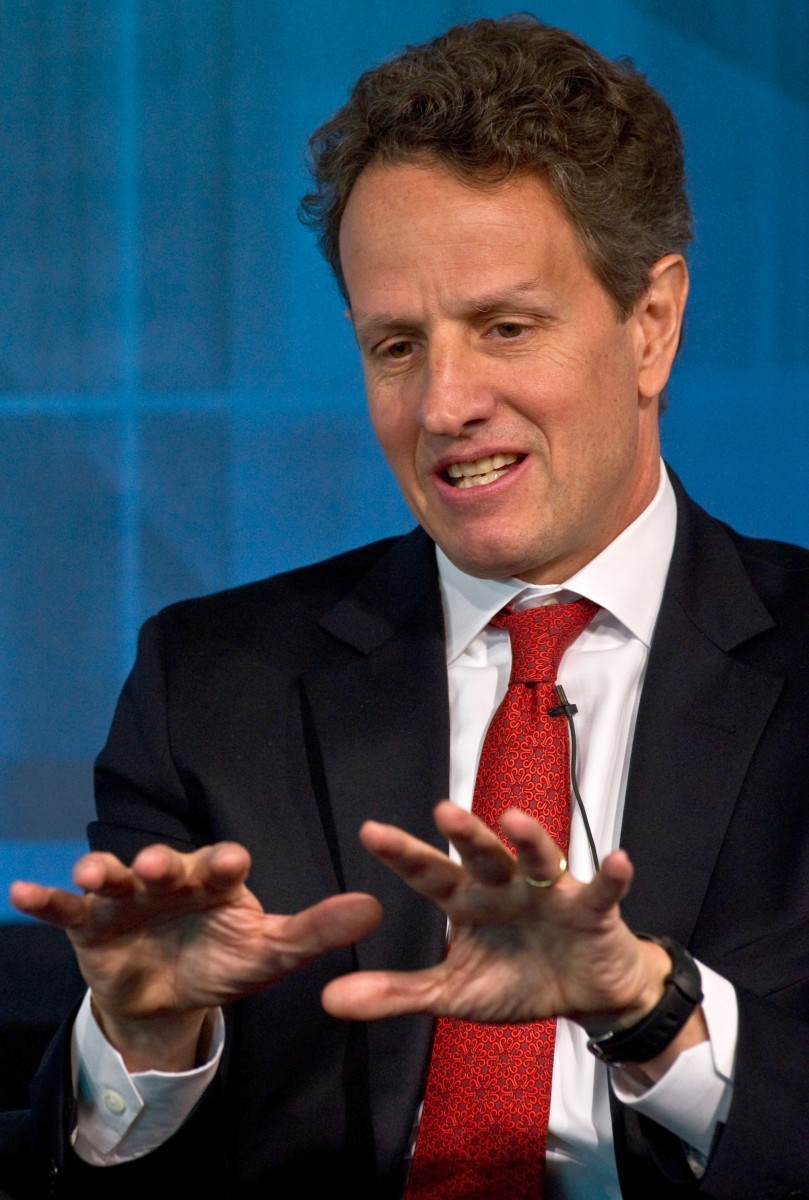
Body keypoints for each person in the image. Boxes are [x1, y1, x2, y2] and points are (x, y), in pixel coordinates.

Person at [3, 14, 809, 1199]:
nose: (442, 404)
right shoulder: (212, 684)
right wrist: (143, 1045)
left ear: (650, 326)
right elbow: (68, 1181)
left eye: (503, 328)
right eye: (395, 345)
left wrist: (649, 1013)